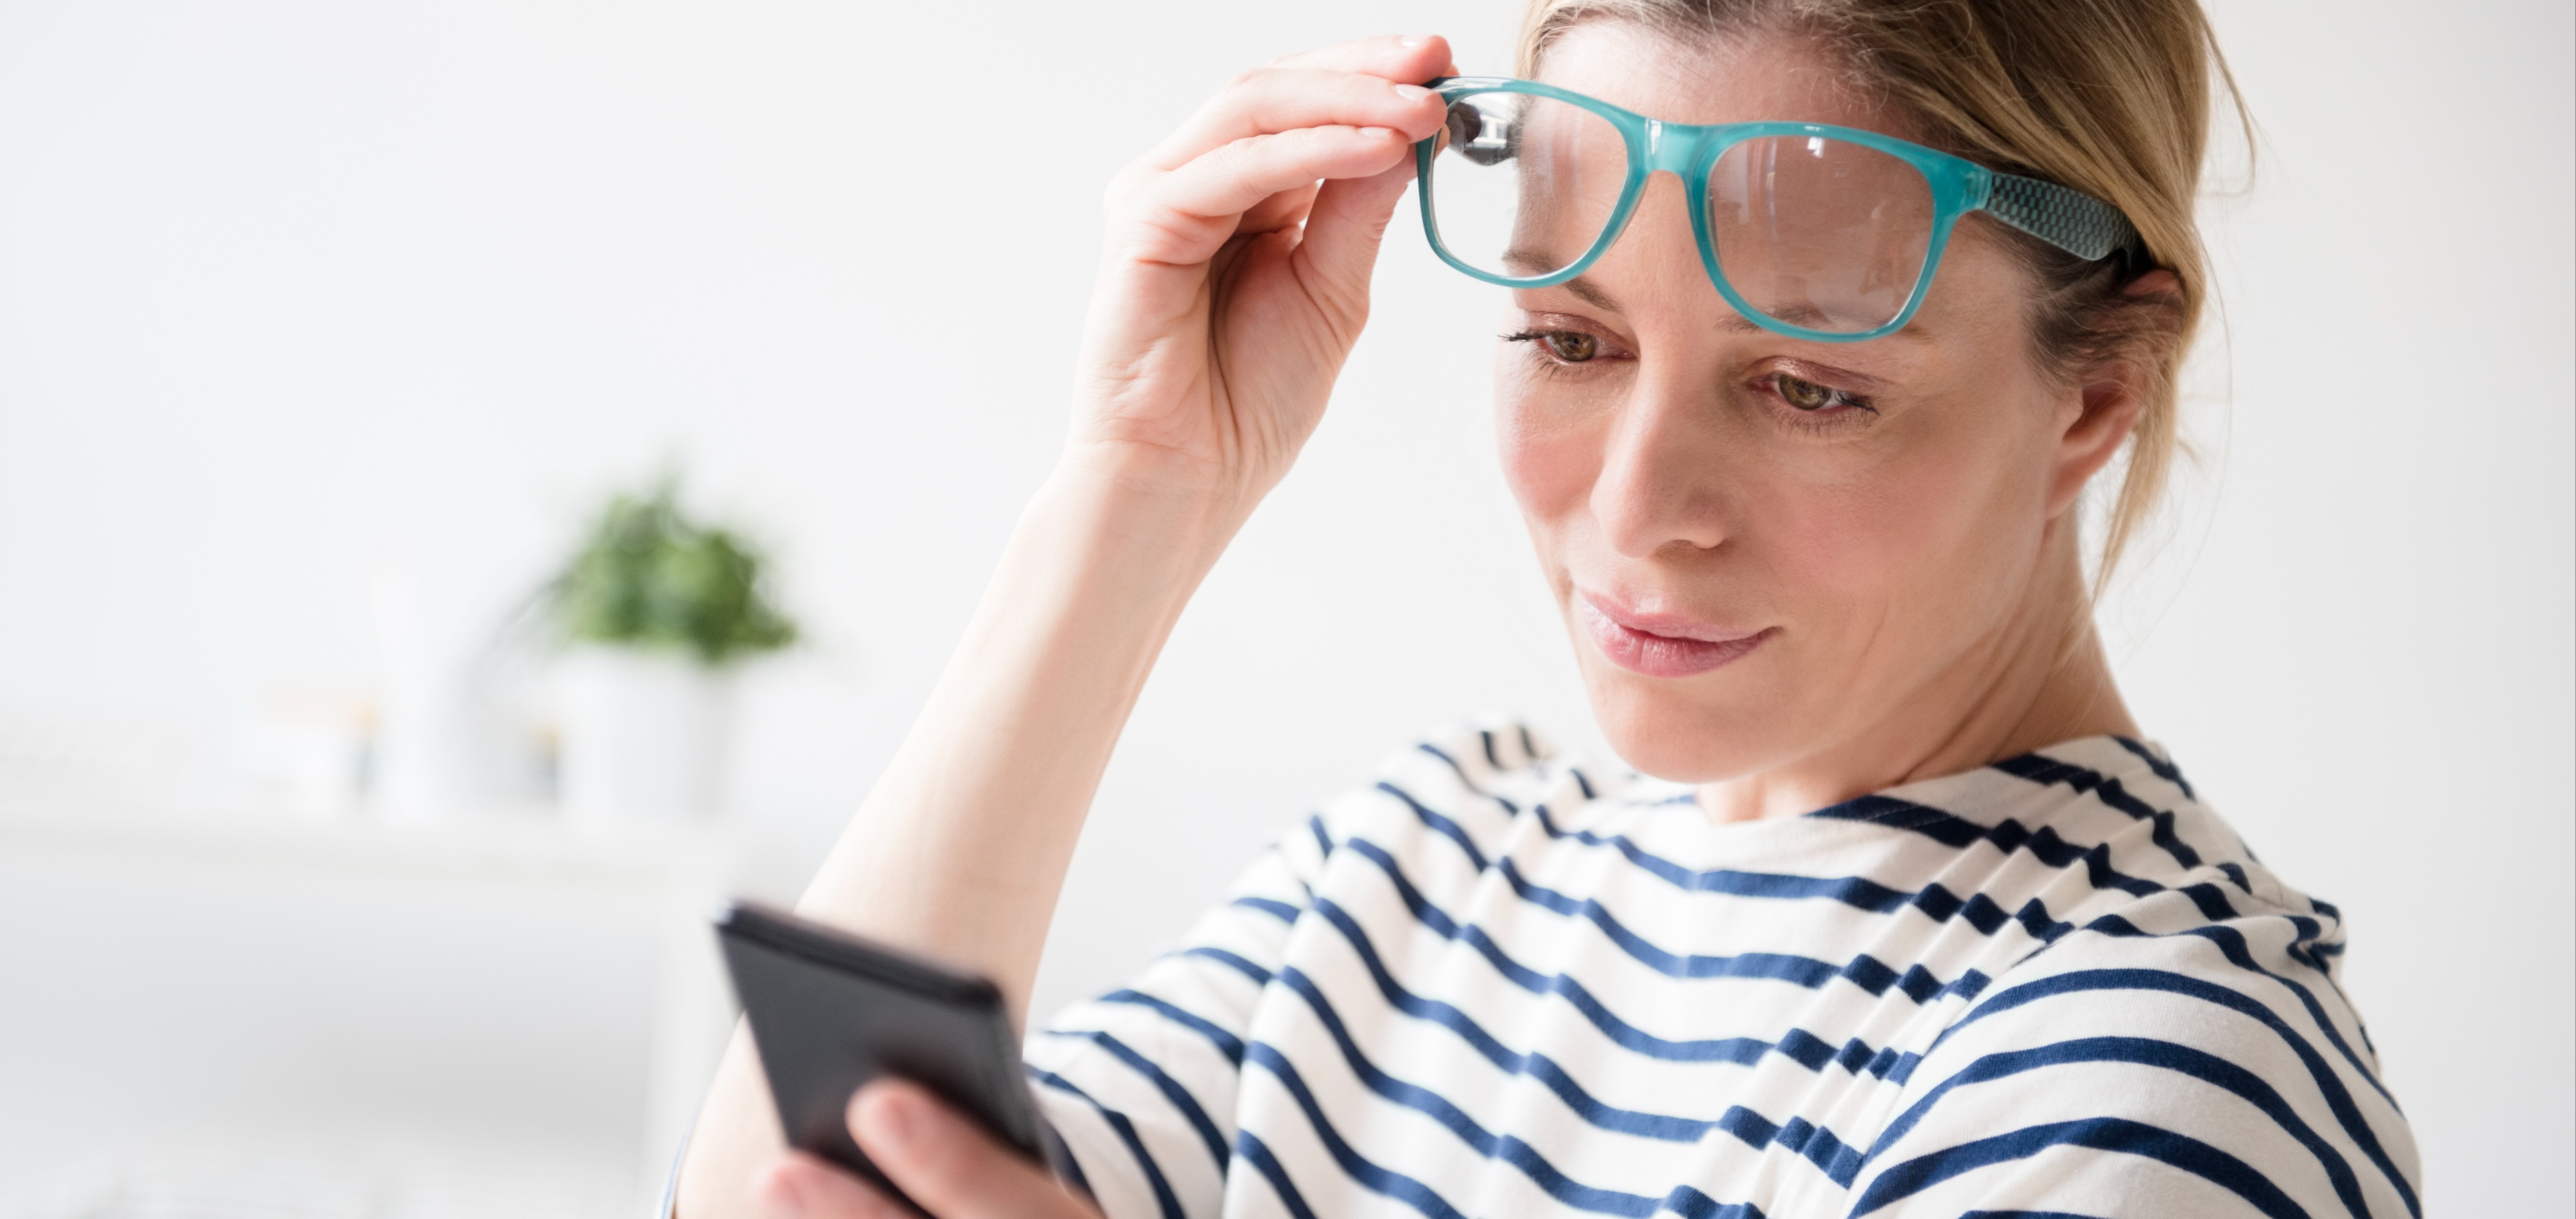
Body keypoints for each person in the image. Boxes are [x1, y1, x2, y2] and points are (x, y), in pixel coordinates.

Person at [675, 1, 2421, 1215]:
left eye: (1813, 387)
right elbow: (784, 1201)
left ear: (2094, 398)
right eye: (1572, 343)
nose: (1639, 506)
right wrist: (1140, 485)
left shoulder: (2154, 1073)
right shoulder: (1428, 872)